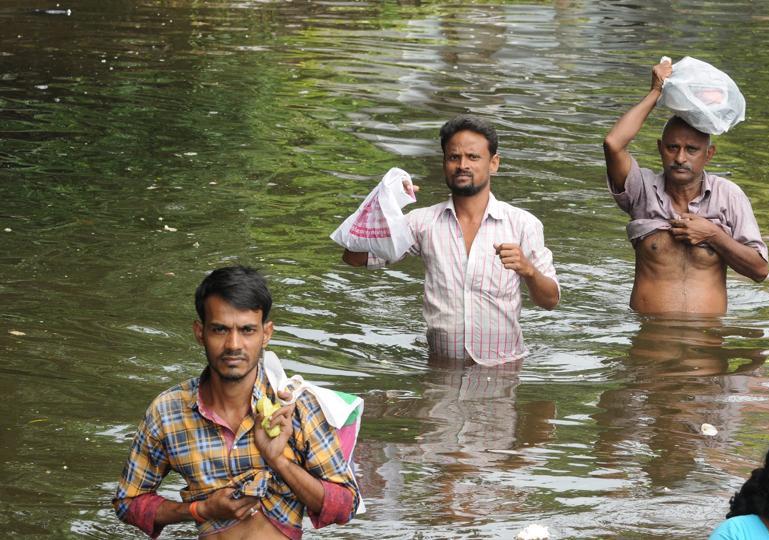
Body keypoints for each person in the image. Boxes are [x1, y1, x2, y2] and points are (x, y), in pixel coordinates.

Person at [113, 266, 359, 539]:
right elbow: (128, 503)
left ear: (266, 334)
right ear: (200, 332)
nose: (233, 344)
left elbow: (344, 506)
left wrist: (279, 462)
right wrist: (200, 510)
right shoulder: (168, 411)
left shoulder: (295, 407)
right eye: (219, 330)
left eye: (247, 330)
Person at [342, 115, 560, 365]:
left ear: (494, 163)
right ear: (444, 163)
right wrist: (385, 205)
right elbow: (353, 257)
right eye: (454, 157)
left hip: (504, 370)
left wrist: (529, 270)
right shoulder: (422, 223)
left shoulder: (523, 224)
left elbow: (550, 301)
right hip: (440, 370)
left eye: (473, 157)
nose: (462, 165)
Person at [603, 59, 768, 314]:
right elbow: (613, 143)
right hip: (650, 337)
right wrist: (655, 92)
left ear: (709, 154)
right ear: (660, 149)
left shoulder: (728, 196)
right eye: (672, 148)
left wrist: (713, 235)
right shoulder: (642, 190)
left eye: (691, 150)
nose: (680, 158)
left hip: (707, 339)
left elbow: (759, 270)